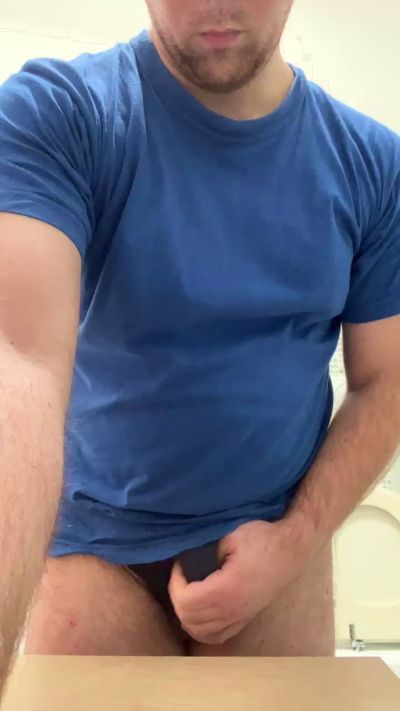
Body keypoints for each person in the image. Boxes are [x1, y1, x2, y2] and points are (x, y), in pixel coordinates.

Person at [0, 0, 400, 690]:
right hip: (94, 546)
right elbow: (18, 356)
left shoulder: (373, 164)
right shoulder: (61, 114)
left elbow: (385, 379)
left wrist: (294, 542)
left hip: (278, 534)